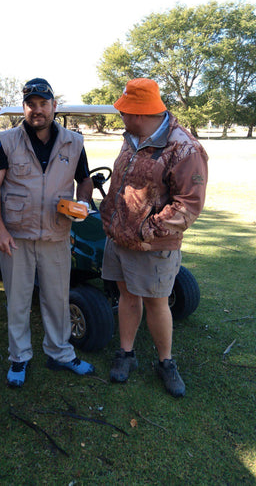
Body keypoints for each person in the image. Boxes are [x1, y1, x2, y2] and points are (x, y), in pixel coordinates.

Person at [100, 78, 208, 397]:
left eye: (124, 112)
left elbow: (188, 205)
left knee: (157, 302)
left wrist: (145, 231)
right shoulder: (133, 137)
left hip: (151, 246)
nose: (120, 116)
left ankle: (166, 362)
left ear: (140, 113)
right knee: (127, 297)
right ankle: (126, 354)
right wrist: (111, 215)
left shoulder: (184, 147)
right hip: (118, 239)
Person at [0, 78, 95, 387]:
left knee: (57, 299)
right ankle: (18, 357)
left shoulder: (74, 142)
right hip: (15, 237)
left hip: (57, 235)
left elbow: (84, 179)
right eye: (30, 104)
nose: (37, 110)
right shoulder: (6, 140)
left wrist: (83, 202)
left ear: (53, 106)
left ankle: (60, 353)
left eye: (43, 104)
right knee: (17, 300)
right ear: (24, 107)